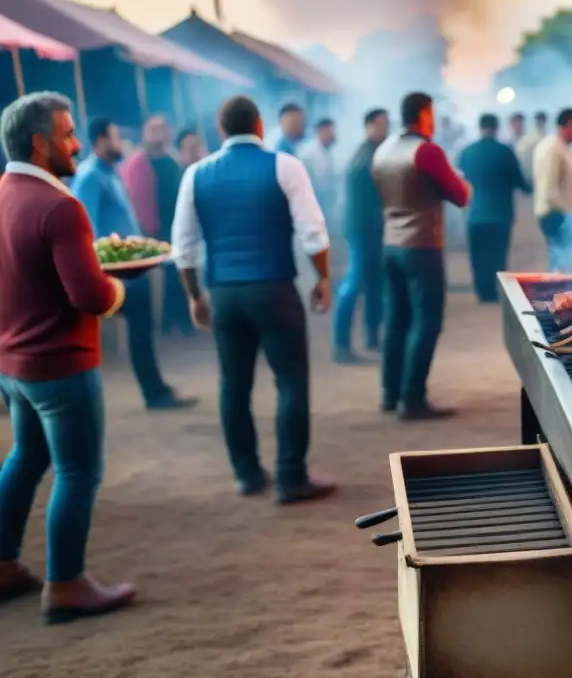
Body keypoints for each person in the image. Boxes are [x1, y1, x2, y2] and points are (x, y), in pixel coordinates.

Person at [0, 92, 136, 622]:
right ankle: (66, 585)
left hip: (14, 363)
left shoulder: (5, 192)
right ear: (39, 143)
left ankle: (3, 565)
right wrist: (120, 288)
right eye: (66, 133)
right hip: (61, 362)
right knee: (79, 471)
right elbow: (91, 296)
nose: (77, 144)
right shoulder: (61, 206)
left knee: (26, 459)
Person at [171, 96, 335, 502]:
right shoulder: (284, 165)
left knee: (233, 384)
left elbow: (184, 246)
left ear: (220, 128)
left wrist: (195, 296)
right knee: (291, 381)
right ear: (260, 125)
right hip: (275, 288)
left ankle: (247, 474)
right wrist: (323, 277)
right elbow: (313, 232)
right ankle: (290, 477)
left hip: (225, 293)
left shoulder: (196, 174)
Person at [72, 119, 195, 411]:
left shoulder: (109, 173)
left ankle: (156, 389)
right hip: (112, 271)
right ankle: (154, 392)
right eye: (116, 138)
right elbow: (84, 226)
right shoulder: (90, 176)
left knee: (142, 324)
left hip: (127, 267)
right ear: (101, 140)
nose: (121, 144)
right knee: (139, 323)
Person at [373, 92, 471, 420]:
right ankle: (412, 397)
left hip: (390, 244)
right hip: (422, 245)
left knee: (397, 319)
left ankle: (390, 392)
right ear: (424, 113)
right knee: (427, 320)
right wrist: (464, 183)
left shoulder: (384, 149)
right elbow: (459, 195)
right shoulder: (426, 151)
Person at [122, 115, 192, 336]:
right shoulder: (138, 163)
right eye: (154, 130)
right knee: (156, 279)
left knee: (177, 275)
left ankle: (180, 320)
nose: (158, 135)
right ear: (146, 134)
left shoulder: (172, 163)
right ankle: (161, 323)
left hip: (173, 226)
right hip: (147, 230)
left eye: (162, 130)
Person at [332, 108, 389, 364]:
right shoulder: (367, 157)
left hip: (368, 229)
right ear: (369, 126)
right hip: (363, 230)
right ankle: (341, 343)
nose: (386, 129)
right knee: (354, 284)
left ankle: (372, 338)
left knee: (374, 283)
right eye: (381, 124)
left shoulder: (369, 153)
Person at [458, 113, 531, 302]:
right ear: (496, 127)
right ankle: (493, 292)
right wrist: (531, 187)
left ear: (480, 127)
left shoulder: (467, 152)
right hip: (500, 215)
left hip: (474, 214)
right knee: (497, 255)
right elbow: (519, 182)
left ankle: (482, 291)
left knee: (478, 256)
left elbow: (459, 180)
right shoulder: (504, 152)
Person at [533, 108, 572, 272]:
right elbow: (550, 190)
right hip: (556, 214)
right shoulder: (552, 148)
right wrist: (570, 214)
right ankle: (554, 295)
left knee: (562, 261)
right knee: (561, 262)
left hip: (563, 214)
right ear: (568, 125)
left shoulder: (562, 147)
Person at [515, 111, 548, 182]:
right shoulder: (528, 138)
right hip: (530, 173)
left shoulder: (547, 137)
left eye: (542, 120)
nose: (541, 122)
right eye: (539, 120)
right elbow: (521, 155)